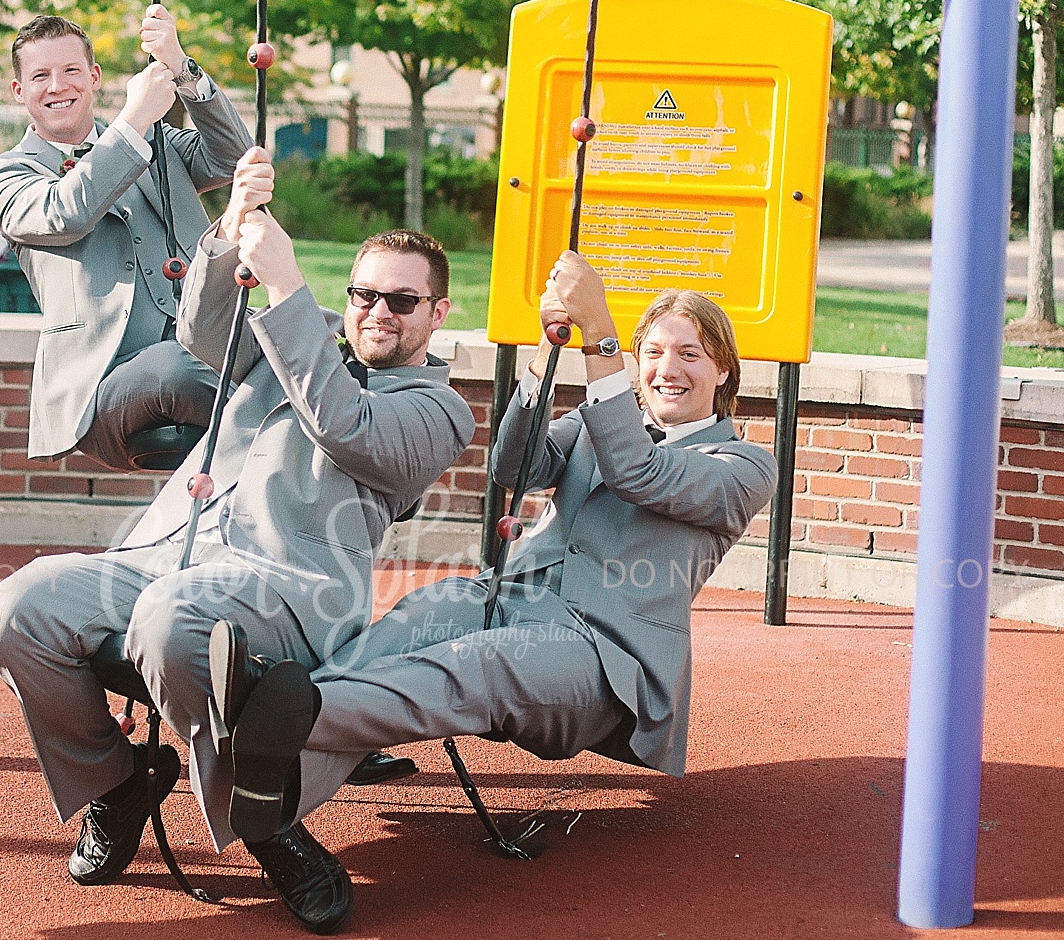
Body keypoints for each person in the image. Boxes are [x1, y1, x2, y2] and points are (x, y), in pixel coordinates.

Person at [0, 148, 474, 933]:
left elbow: (347, 426)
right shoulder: (288, 339)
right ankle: (116, 783)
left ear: (437, 313)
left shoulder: (438, 411)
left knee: (173, 621)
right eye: (365, 294)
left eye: (403, 301)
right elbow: (204, 329)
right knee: (15, 608)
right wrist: (229, 229)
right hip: (165, 554)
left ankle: (268, 825)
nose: (380, 311)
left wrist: (288, 287)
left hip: (287, 588)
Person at [204, 254, 777, 912]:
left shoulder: (741, 464)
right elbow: (518, 464)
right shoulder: (599, 422)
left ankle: (290, 703)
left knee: (478, 666)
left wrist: (603, 337)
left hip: (602, 655)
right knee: (418, 617)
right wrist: (546, 351)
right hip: (507, 596)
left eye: (690, 354)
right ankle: (272, 803)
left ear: (724, 370)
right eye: (652, 351)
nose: (666, 368)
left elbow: (639, 473)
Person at [0, 7, 250, 471]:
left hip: (203, 340)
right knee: (176, 365)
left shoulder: (159, 144)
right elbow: (66, 212)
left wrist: (182, 69)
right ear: (20, 91)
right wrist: (135, 117)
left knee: (312, 327)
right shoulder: (4, 174)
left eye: (70, 71)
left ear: (95, 76)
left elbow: (233, 160)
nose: (58, 86)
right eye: (41, 75)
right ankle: (295, 413)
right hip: (107, 383)